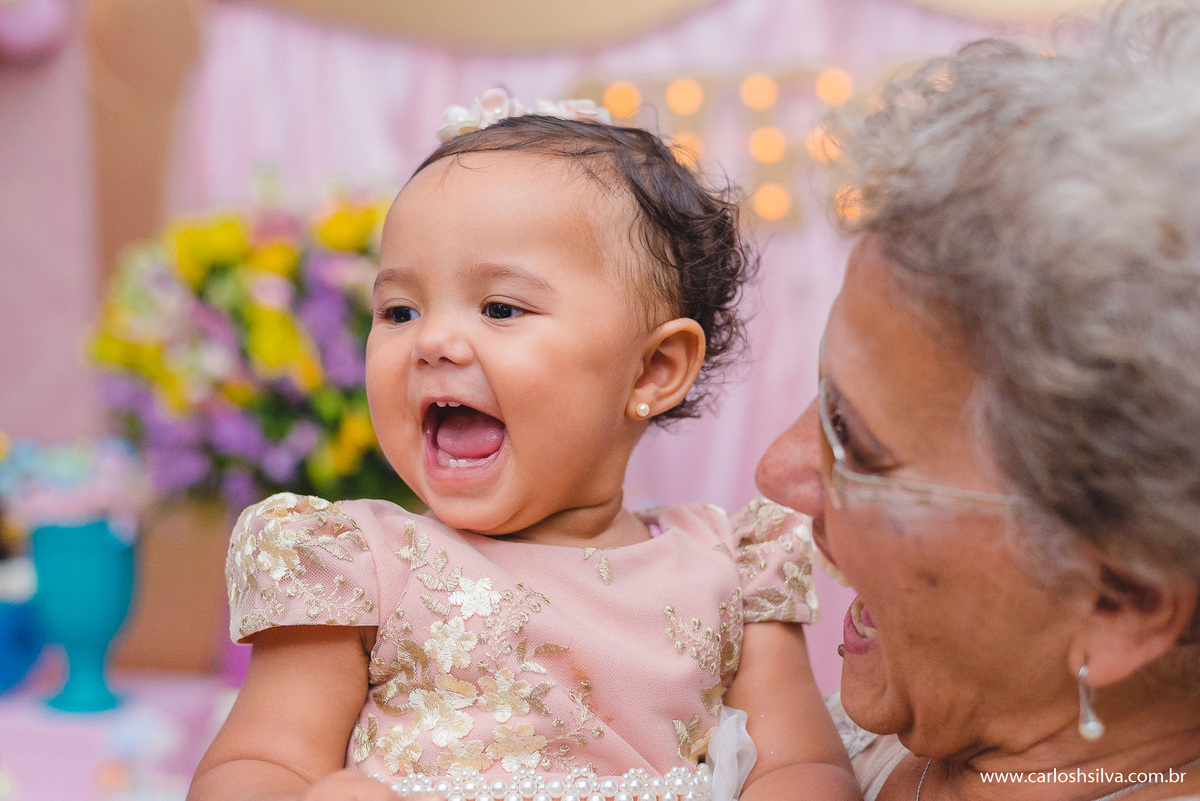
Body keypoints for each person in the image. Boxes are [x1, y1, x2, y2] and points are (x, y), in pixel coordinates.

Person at [188, 93, 861, 801]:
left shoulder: (727, 569)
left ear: (653, 369)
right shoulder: (360, 565)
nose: (434, 341)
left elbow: (802, 769)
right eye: (400, 311)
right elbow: (259, 763)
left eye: (500, 308)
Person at [755, 1, 1200, 799]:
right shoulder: (812, 736)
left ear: (1119, 600)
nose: (777, 469)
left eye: (852, 439)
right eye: (820, 396)